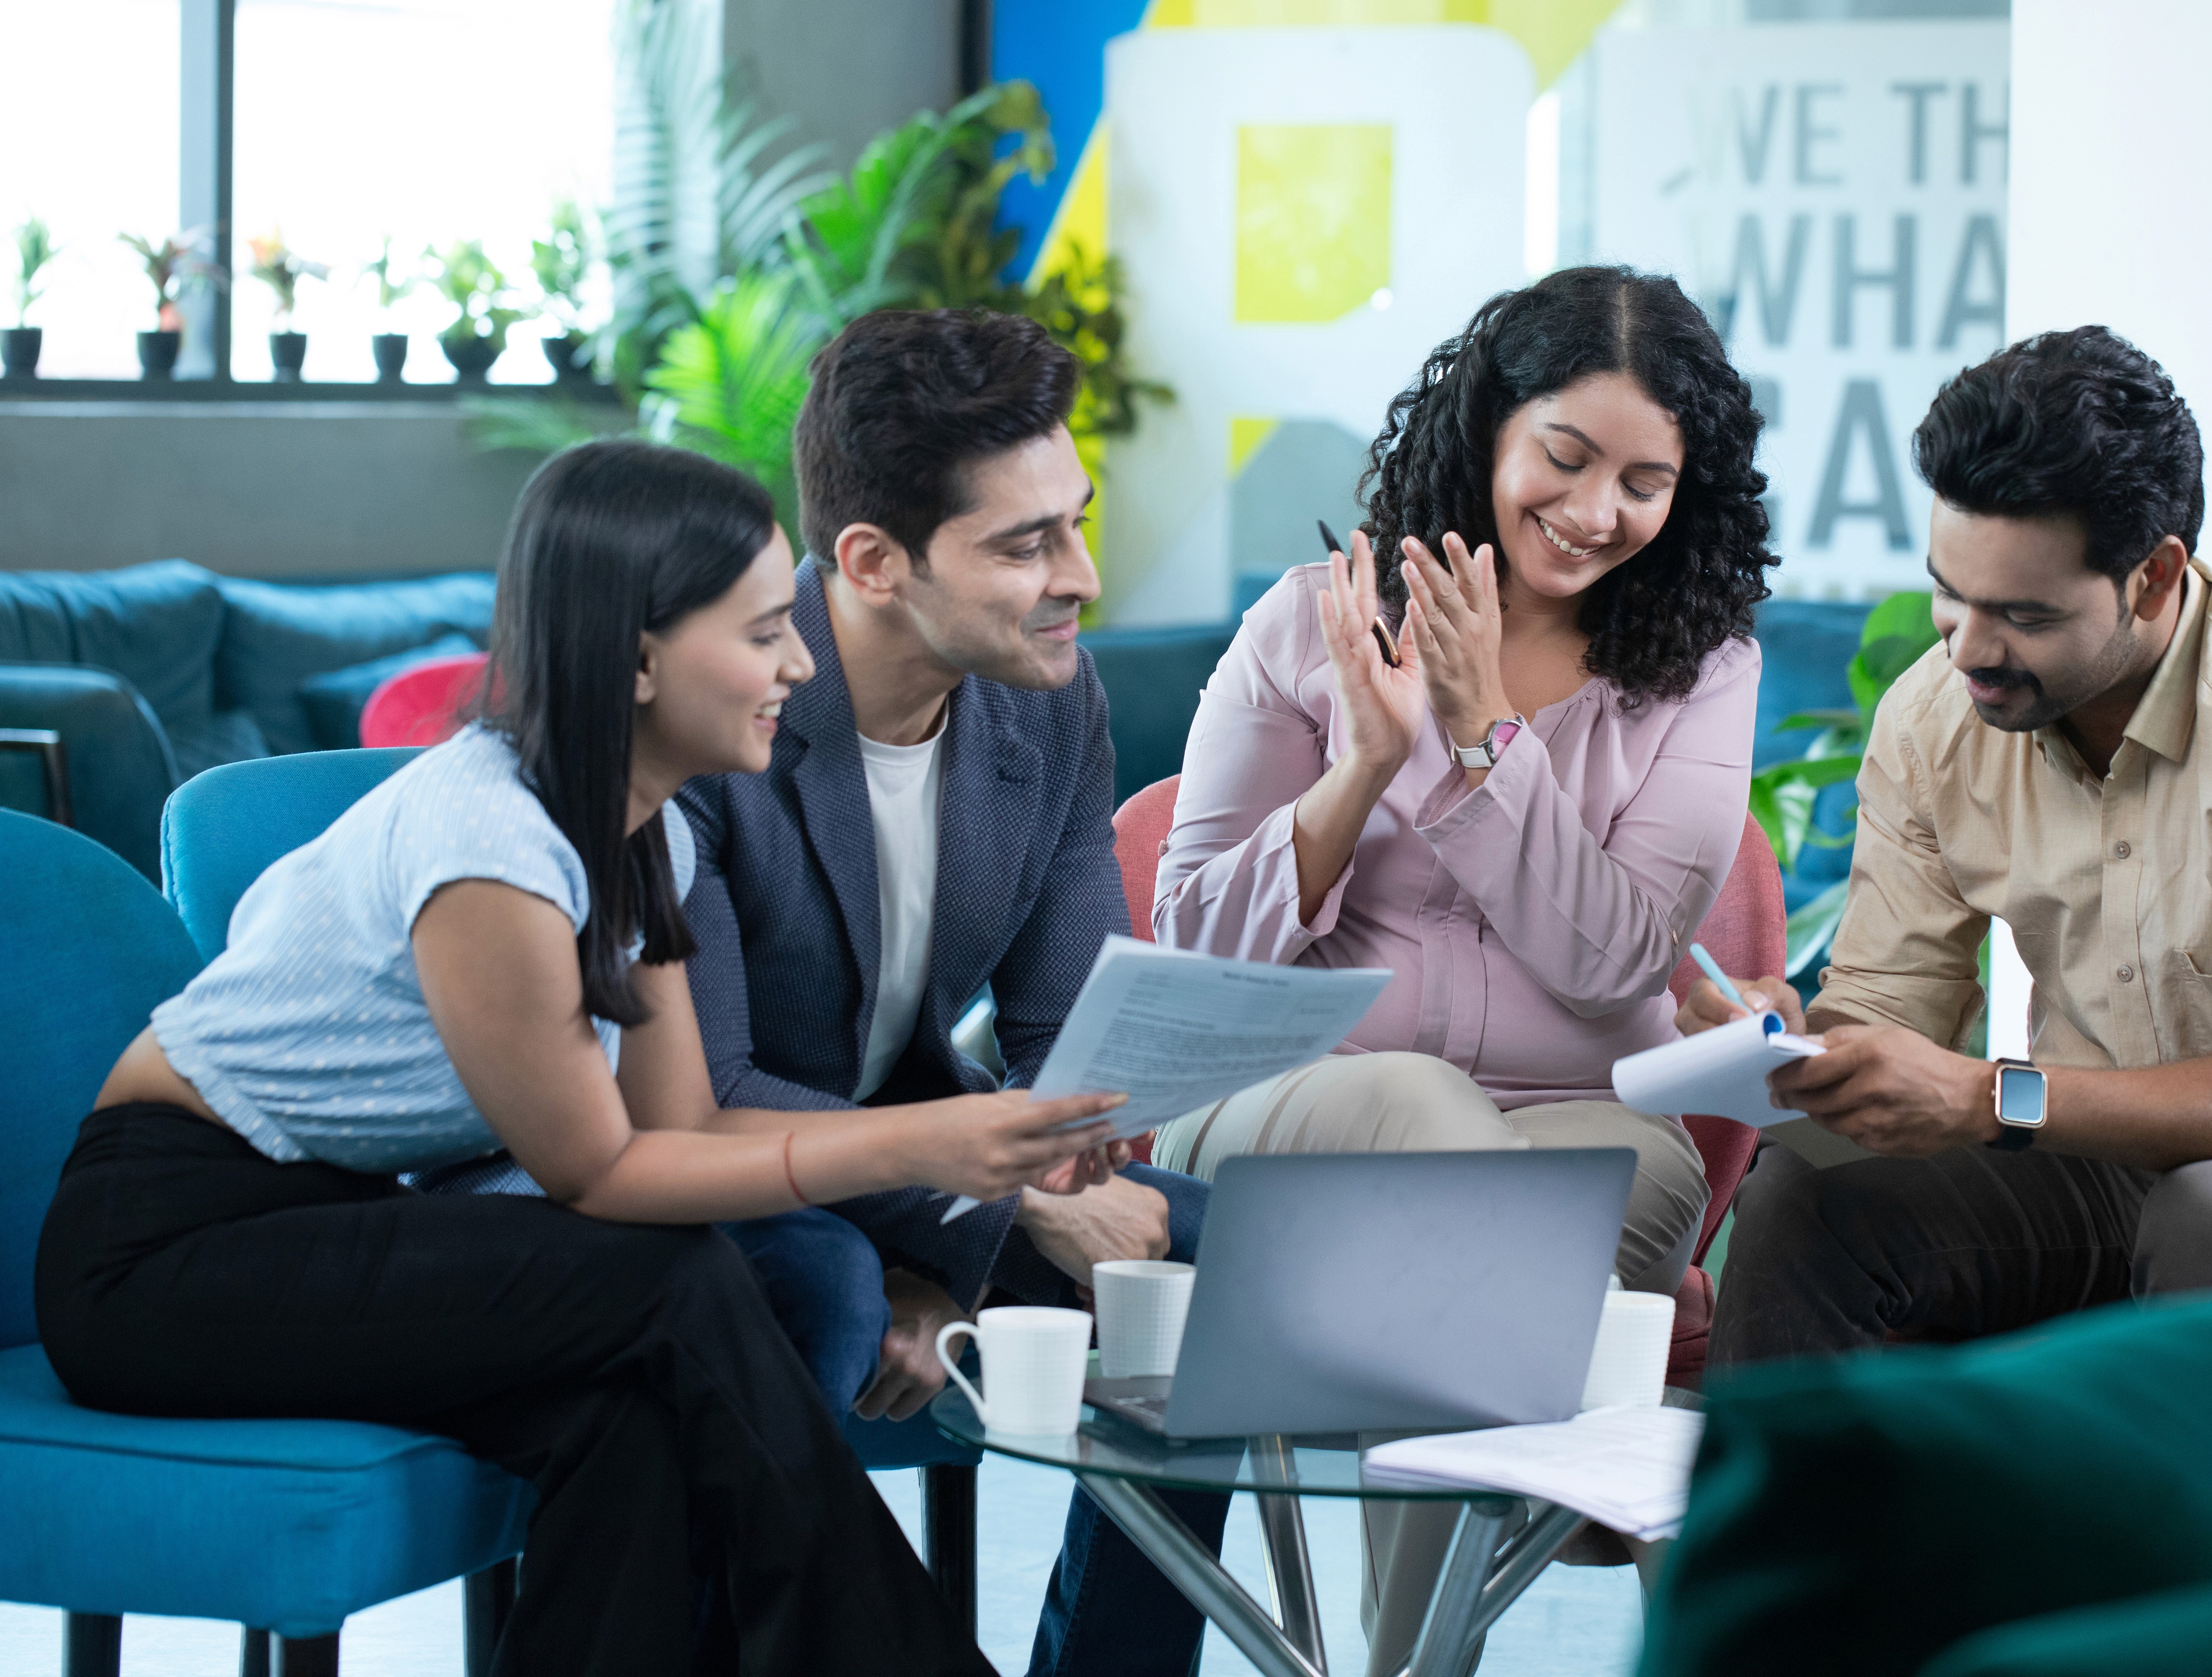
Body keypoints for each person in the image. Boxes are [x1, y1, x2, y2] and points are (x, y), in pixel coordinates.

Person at [33, 439, 1130, 1676]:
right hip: (166, 1252)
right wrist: (934, 1145)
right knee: (672, 1285)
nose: (801, 663)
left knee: (634, 1426)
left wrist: (947, 1154)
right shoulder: (490, 841)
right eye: (765, 630)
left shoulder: (639, 833)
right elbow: (601, 1178)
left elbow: (687, 1134)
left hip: (335, 1225)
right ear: (642, 655)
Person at [1149, 265, 1776, 1672]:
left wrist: (1483, 737)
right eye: (1564, 456)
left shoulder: (1702, 672)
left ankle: (1393, 1660)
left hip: (1585, 1125)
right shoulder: (1311, 622)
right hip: (1298, 1105)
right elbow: (1198, 946)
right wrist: (1366, 758)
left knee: (1546, 1189)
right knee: (1439, 1134)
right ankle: (1409, 1662)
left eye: (1646, 480)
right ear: (1492, 426)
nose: (1597, 510)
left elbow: (1617, 949)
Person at [1689, 325, 2212, 1368]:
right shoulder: (1935, 717)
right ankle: (1769, 1531)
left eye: (2023, 614)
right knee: (1811, 1196)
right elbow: (1889, 1009)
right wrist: (1800, 1046)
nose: (1969, 646)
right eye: (1951, 592)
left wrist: (1986, 1096)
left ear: (2154, 575)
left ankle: (2164, 1540)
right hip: (2093, 1152)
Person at [671, 305, 1225, 1677]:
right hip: (708, 1181)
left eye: (1076, 523)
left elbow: (1064, 1033)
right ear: (870, 560)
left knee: (1213, 1256)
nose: (1081, 575)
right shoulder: (711, 711)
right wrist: (967, 1222)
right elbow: (712, 1094)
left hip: (923, 1165)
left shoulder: (1051, 702)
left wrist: (991, 1218)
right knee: (829, 1291)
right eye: (1025, 544)